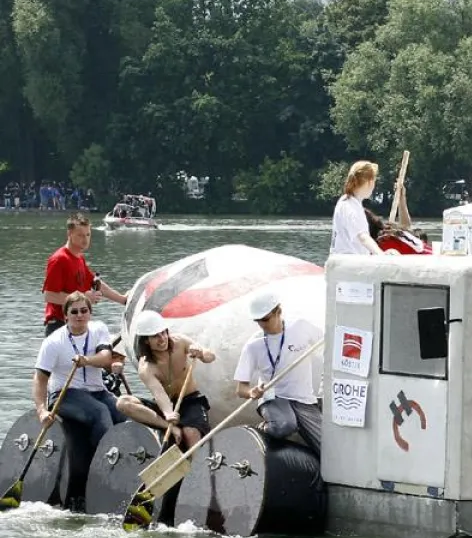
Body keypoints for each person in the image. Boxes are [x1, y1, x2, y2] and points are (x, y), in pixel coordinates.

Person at [32, 291, 127, 458]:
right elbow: (40, 379)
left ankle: (118, 457)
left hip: (97, 391)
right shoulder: (53, 342)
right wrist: (41, 411)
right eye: (74, 312)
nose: (79, 315)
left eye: (84, 310)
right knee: (100, 413)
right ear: (66, 316)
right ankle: (103, 462)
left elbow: (105, 358)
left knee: (122, 410)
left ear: (90, 313)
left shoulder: (99, 329)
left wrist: (86, 361)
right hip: (64, 395)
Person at [234, 292, 324, 454]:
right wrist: (252, 392)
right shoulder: (253, 345)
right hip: (273, 398)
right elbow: (241, 389)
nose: (262, 324)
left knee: (327, 450)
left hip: (304, 399)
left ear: (278, 311)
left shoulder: (300, 327)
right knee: (285, 425)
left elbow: (327, 344)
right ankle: (261, 432)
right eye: (258, 321)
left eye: (266, 319)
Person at [116, 311, 215, 450]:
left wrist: (201, 352)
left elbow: (210, 357)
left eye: (163, 333)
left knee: (190, 433)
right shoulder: (146, 367)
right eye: (155, 336)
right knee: (123, 403)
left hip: (190, 400)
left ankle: (196, 469)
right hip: (165, 406)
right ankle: (171, 429)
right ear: (145, 340)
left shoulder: (180, 342)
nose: (162, 339)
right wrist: (169, 414)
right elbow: (159, 394)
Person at [42, 213, 127, 337]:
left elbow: (96, 283)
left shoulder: (79, 257)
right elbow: (49, 296)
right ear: (69, 234)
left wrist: (123, 299)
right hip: (59, 327)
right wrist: (85, 299)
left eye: (88, 234)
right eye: (80, 235)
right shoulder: (59, 259)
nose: (86, 239)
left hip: (76, 325)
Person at [330, 161, 388, 257]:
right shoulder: (349, 206)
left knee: (393, 252)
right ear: (370, 182)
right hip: (347, 262)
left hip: (349, 260)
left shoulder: (350, 202)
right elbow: (363, 237)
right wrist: (381, 254)